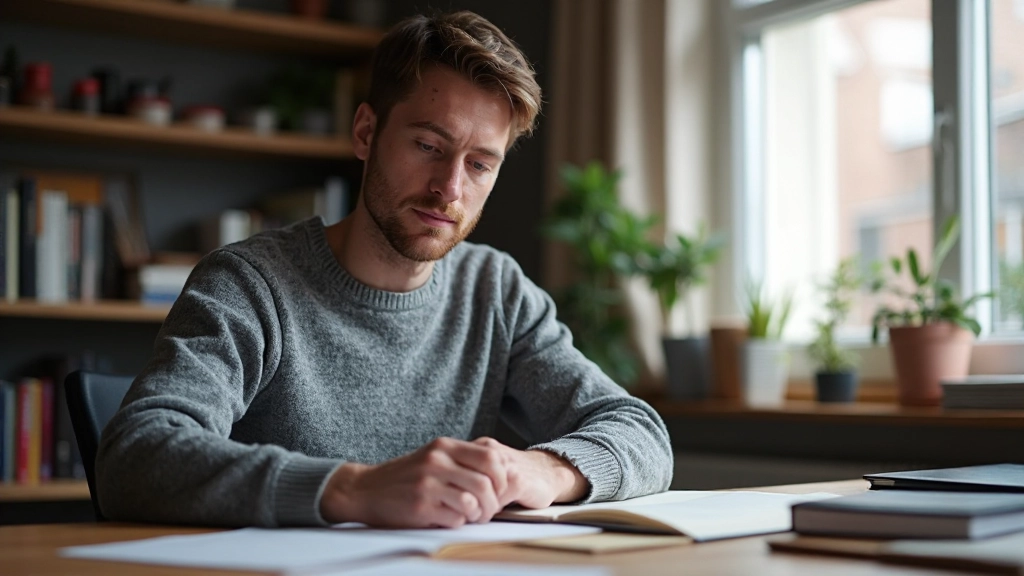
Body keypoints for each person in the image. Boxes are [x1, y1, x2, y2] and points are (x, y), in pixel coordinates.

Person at [96, 10, 673, 529]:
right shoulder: (249, 285)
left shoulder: (496, 292)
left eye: (479, 164)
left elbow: (641, 434)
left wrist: (543, 471)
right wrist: (354, 488)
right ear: (366, 132)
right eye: (428, 145)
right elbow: (136, 455)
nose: (450, 189)